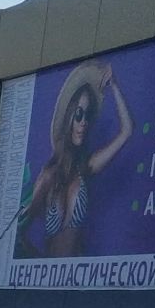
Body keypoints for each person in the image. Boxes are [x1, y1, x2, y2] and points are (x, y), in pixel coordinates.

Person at [20, 59, 132, 259]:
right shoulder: (48, 175)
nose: (83, 123)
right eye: (78, 114)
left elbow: (126, 131)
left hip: (75, 273)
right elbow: (21, 228)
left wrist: (114, 87)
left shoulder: (86, 167)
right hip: (50, 274)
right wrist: (38, 263)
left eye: (87, 116)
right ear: (69, 117)